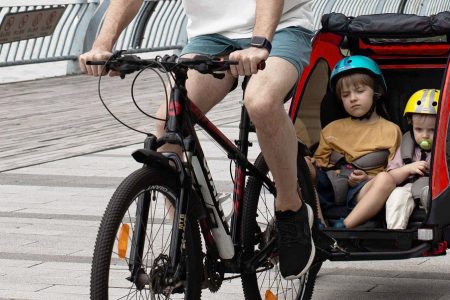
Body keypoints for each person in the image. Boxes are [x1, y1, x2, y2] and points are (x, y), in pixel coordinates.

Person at [79, 0, 315, 279]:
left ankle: (290, 209)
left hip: (281, 28)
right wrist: (103, 45)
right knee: (167, 125)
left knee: (261, 102)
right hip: (211, 37)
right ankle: (187, 240)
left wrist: (260, 41)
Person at [309, 55, 402, 229]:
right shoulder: (331, 129)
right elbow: (320, 162)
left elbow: (394, 170)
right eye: (346, 95)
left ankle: (344, 226)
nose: (352, 98)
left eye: (359, 91)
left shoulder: (390, 130)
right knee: (301, 166)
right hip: (330, 184)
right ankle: (319, 223)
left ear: (377, 92)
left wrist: (368, 177)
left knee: (386, 180)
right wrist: (310, 163)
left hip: (363, 190)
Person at [385, 89, 439, 229]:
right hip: (408, 186)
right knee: (397, 196)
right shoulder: (406, 147)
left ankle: (435, 232)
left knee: (432, 196)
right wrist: (408, 168)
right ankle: (396, 234)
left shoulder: (445, 150)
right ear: (411, 124)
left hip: (435, 188)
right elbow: (391, 176)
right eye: (419, 129)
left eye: (432, 130)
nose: (425, 135)